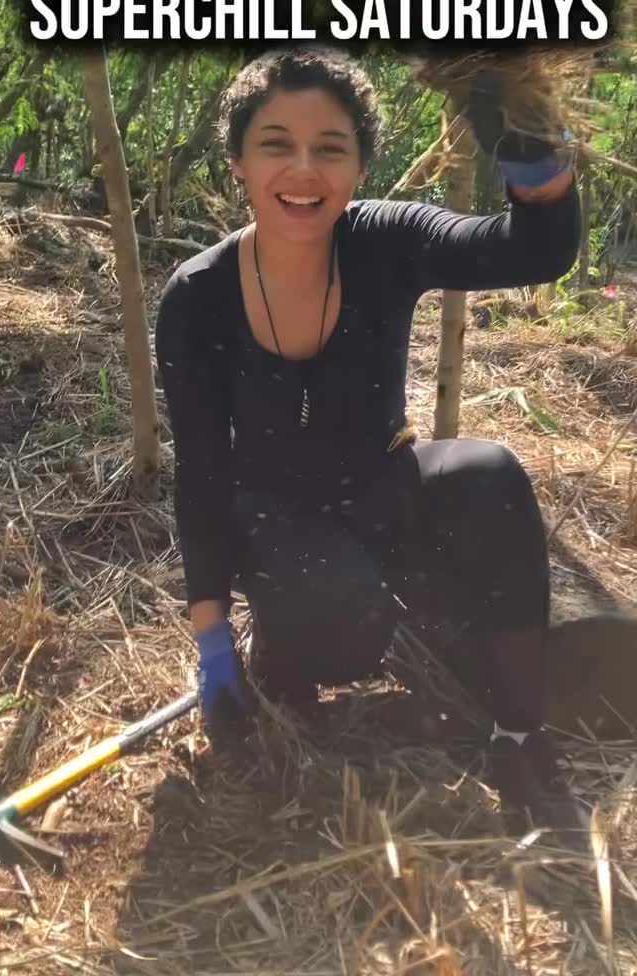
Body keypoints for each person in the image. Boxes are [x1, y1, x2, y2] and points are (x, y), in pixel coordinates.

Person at [155, 47, 588, 851]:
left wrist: (530, 141)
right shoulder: (198, 297)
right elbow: (203, 477)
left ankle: (522, 743)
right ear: (239, 164)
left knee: (491, 473)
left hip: (380, 483)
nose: (304, 170)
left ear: (360, 165)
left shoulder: (386, 240)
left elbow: (535, 252)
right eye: (276, 143)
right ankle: (282, 656)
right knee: (338, 618)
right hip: (276, 519)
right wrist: (213, 644)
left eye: (331, 148)